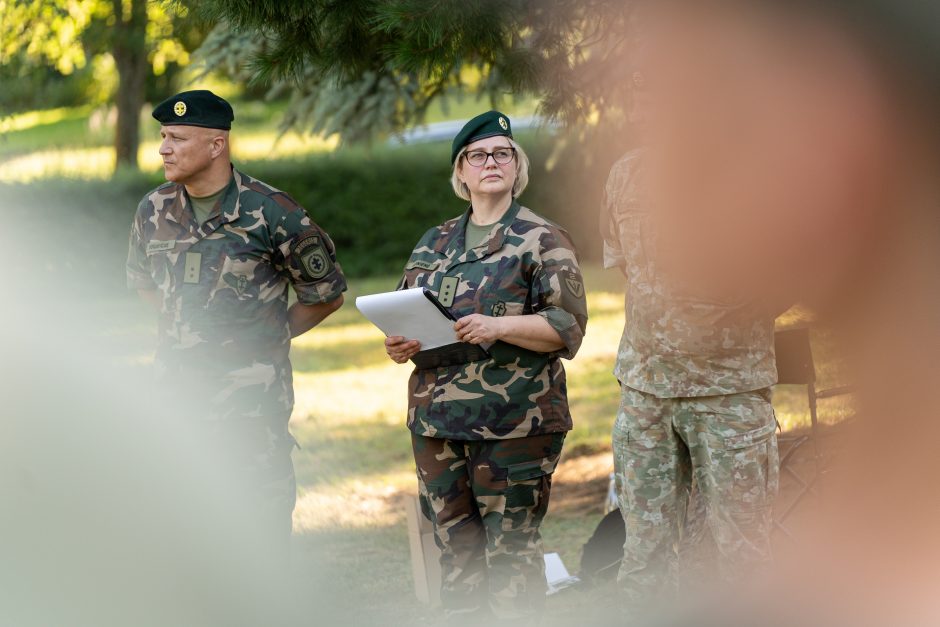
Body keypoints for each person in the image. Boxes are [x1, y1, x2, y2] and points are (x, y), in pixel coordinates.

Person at [384, 111, 588, 622]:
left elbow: (568, 326)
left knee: (512, 558)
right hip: (437, 424)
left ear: (518, 167)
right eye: (478, 155)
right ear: (462, 172)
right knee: (457, 557)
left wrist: (500, 327)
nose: (491, 162)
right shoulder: (434, 242)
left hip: (515, 425)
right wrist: (399, 343)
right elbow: (409, 308)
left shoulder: (542, 238)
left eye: (502, 153)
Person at [126, 89, 346, 557]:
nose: (164, 148)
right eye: (163, 136)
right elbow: (144, 283)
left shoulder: (273, 213)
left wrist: (263, 336)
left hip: (252, 410)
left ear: (216, 145)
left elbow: (324, 295)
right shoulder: (153, 210)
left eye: (177, 138)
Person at [602, 69, 783, 613]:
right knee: (644, 555)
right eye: (638, 95)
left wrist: (720, 321)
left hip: (728, 394)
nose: (644, 105)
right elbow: (624, 267)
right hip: (645, 393)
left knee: (744, 555)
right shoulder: (624, 174)